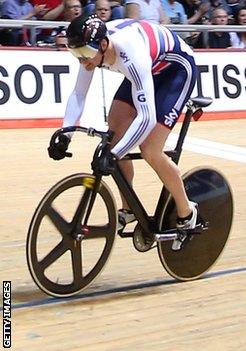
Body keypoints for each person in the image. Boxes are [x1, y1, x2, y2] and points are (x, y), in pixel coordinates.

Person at [48, 14, 199, 248]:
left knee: (150, 149)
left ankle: (187, 212)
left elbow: (146, 117)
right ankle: (129, 209)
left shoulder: (130, 53)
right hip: (148, 67)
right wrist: (65, 134)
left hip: (175, 70)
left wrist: (115, 154)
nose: (83, 62)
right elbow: (79, 94)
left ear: (104, 44)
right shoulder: (92, 48)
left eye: (86, 55)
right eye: (76, 55)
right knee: (114, 133)